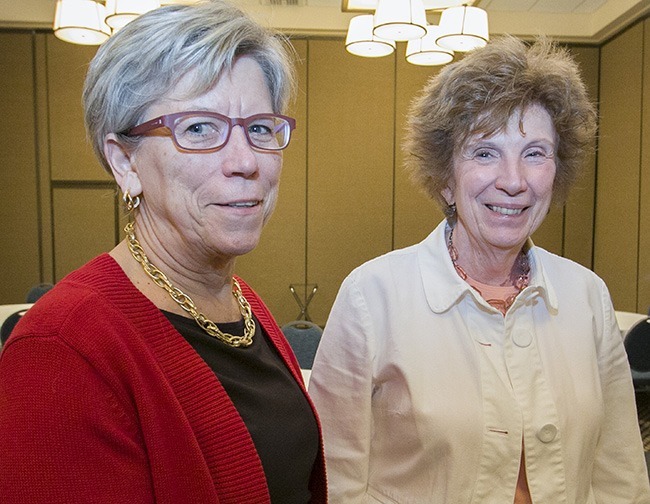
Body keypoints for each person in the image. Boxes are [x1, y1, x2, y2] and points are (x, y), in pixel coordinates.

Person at [0, 2, 326, 503]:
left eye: (260, 128)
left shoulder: (238, 299)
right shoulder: (61, 348)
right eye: (198, 128)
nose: (246, 162)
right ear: (125, 161)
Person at [309, 35, 650, 503]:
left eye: (535, 153)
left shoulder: (587, 295)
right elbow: (335, 481)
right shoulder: (374, 294)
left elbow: (620, 475)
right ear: (445, 178)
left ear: (557, 170)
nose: (513, 180)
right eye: (485, 152)